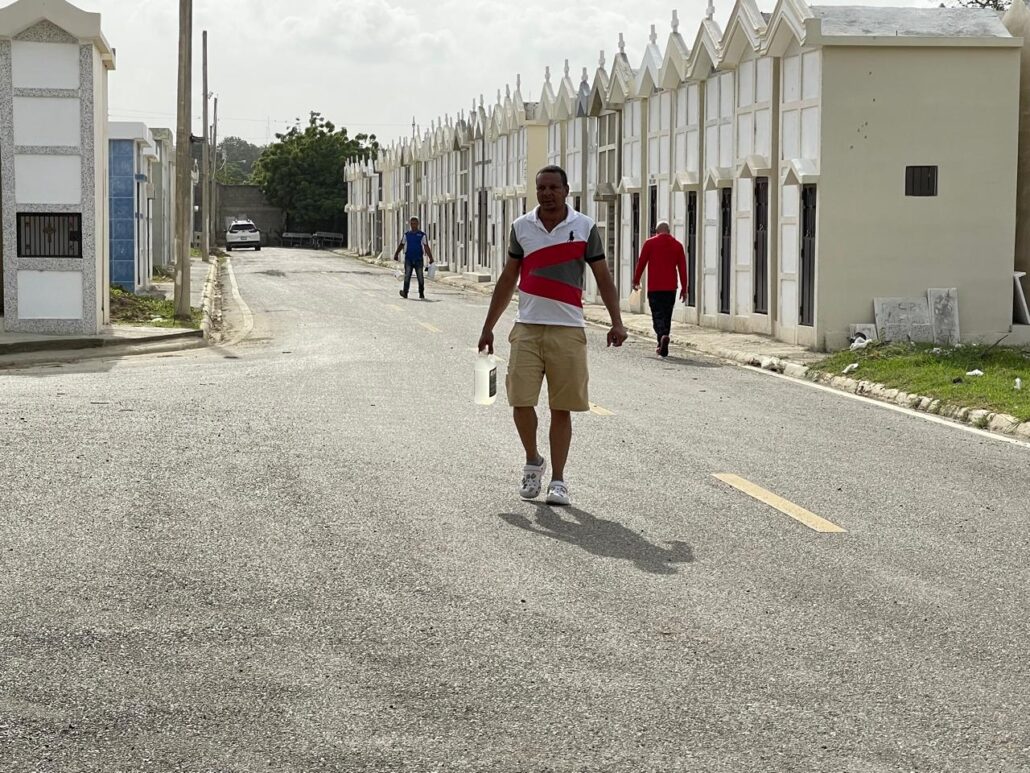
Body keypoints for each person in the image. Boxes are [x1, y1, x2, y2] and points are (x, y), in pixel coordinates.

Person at [477, 166, 628, 507]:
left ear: (566, 190)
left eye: (553, 187)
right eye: (541, 187)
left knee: (562, 408)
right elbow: (507, 278)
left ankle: (558, 480)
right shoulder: (521, 227)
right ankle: (533, 461)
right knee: (520, 401)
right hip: (527, 326)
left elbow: (603, 277)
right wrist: (488, 326)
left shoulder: (585, 227)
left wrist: (616, 321)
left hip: (569, 329)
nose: (547, 193)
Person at [632, 221, 687, 358]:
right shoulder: (677, 245)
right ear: (668, 231)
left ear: (656, 232)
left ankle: (661, 336)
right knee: (667, 315)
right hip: (670, 287)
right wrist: (684, 288)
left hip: (655, 287)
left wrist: (636, 280)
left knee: (657, 315)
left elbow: (641, 262)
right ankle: (663, 340)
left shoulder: (650, 243)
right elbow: (683, 268)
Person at [393, 217, 434, 300]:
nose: (413, 225)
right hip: (409, 258)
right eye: (412, 223)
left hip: (418, 259)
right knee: (407, 276)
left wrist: (430, 257)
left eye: (415, 223)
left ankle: (421, 293)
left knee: (420, 277)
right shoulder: (407, 234)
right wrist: (396, 253)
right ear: (410, 224)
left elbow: (426, 246)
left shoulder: (422, 235)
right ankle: (405, 292)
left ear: (418, 224)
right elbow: (402, 244)